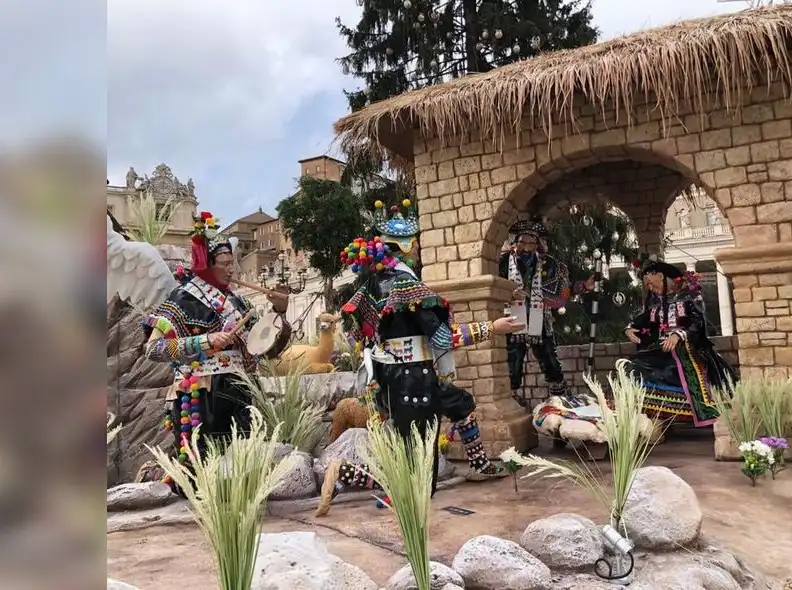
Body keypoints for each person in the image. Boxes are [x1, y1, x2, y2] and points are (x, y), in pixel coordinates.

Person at [315, 200, 525, 517]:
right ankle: (344, 474)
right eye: (415, 244)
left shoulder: (369, 287)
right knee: (419, 482)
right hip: (415, 382)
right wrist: (491, 327)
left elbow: (362, 337)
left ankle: (479, 464)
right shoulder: (408, 287)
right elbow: (442, 338)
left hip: (390, 381)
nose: (417, 250)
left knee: (460, 404)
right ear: (405, 247)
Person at [135, 211, 288, 490]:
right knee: (203, 475)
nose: (232, 270)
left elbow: (266, 350)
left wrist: (279, 313)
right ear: (206, 265)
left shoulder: (238, 303)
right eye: (225, 264)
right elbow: (153, 349)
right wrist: (205, 341)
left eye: (233, 263)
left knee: (245, 470)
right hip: (202, 396)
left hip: (241, 391)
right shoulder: (181, 299)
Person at [623, 260, 737, 426]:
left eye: (652, 284)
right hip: (661, 347)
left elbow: (698, 322)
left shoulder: (689, 296)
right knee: (633, 365)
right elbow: (643, 319)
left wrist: (678, 335)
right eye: (648, 286)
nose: (651, 289)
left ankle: (702, 408)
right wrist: (629, 329)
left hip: (688, 345)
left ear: (663, 278)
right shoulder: (655, 302)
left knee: (682, 360)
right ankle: (655, 412)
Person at [498, 218, 594, 406]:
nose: (527, 247)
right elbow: (492, 288)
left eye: (531, 242)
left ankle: (561, 399)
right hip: (511, 319)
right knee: (513, 360)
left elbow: (564, 289)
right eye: (523, 242)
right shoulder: (501, 263)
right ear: (515, 242)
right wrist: (509, 295)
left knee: (549, 358)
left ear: (538, 244)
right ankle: (512, 399)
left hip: (540, 318)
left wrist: (583, 286)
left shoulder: (549, 264)